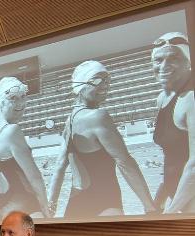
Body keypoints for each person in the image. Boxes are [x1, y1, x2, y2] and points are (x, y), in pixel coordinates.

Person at [48, 61, 155, 217]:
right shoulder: (98, 116)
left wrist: (51, 205)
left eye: (107, 80)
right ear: (80, 86)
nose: (105, 85)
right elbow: (125, 162)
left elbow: (59, 165)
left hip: (75, 206)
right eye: (97, 79)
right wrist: (149, 206)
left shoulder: (70, 120)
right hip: (105, 202)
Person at [0, 77, 50, 221]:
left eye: (22, 97)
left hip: (0, 211)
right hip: (26, 208)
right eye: (13, 98)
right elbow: (35, 177)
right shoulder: (13, 131)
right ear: (1, 103)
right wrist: (45, 208)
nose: (20, 103)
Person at [150, 32, 195, 213]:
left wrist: (170, 213)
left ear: (188, 62)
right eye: (158, 60)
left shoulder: (191, 99)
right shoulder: (162, 98)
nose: (164, 66)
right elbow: (173, 156)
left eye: (173, 58)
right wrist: (162, 194)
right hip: (176, 194)